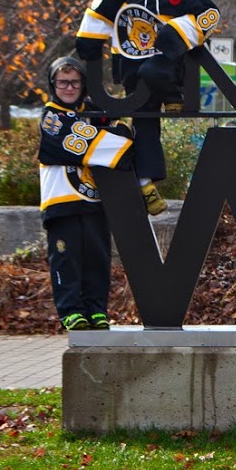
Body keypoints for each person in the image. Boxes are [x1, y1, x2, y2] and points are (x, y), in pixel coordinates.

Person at [75, 0, 221, 211]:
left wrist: (177, 32)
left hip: (169, 63)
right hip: (131, 61)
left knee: (154, 70)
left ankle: (173, 95)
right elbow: (102, 6)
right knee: (143, 120)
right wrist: (90, 39)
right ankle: (146, 185)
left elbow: (210, 16)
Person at [38, 57, 145, 331]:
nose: (69, 88)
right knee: (67, 259)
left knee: (98, 258)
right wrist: (113, 144)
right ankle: (71, 311)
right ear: (53, 84)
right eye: (63, 82)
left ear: (83, 84)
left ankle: (96, 310)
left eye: (75, 82)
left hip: (95, 200)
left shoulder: (94, 111)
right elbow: (93, 144)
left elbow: (122, 131)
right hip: (61, 201)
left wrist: (113, 137)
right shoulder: (50, 116)